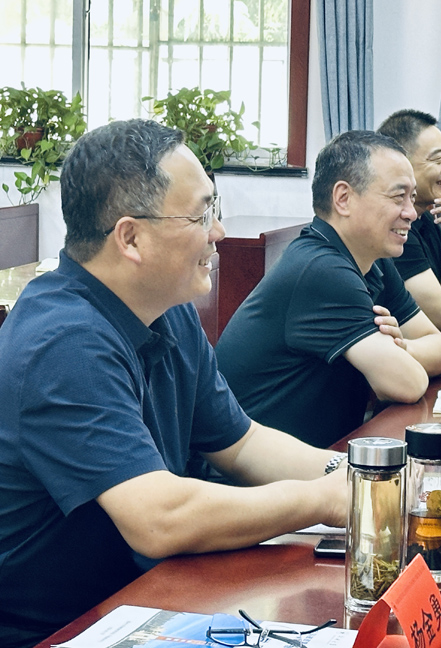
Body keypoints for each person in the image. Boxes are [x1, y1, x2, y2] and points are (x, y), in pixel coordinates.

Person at [0, 119, 349, 648]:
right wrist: (322, 500)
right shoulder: (63, 342)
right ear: (131, 237)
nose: (218, 232)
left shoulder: (166, 308)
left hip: (142, 598)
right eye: (201, 215)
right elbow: (159, 519)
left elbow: (242, 443)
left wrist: (355, 476)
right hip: (58, 630)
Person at [216, 131, 441, 448]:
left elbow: (440, 350)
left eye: (412, 197)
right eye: (398, 197)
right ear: (343, 198)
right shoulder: (321, 270)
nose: (410, 212)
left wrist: (402, 348)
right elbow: (408, 383)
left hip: (319, 457)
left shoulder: (374, 261)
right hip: (251, 470)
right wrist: (401, 356)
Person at [377, 109, 441, 358]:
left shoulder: (426, 218)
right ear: (402, 165)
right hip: (426, 363)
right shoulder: (397, 230)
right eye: (437, 159)